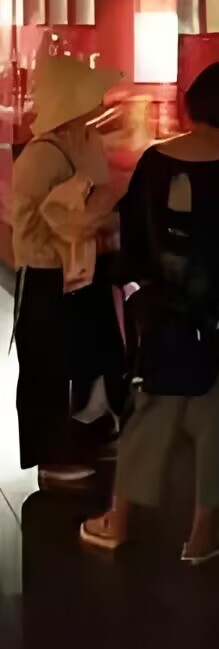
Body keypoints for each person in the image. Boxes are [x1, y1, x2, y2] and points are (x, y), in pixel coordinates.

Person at [81, 62, 219, 564]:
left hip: (164, 310)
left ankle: (117, 520)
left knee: (151, 408)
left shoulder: (155, 162)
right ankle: (202, 535)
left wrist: (143, 297)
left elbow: (133, 240)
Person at [9, 54, 127, 488]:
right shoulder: (44, 155)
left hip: (80, 269)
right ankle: (50, 456)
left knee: (90, 351)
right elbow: (65, 220)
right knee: (47, 366)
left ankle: (89, 431)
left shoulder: (80, 140)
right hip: (46, 272)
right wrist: (106, 213)